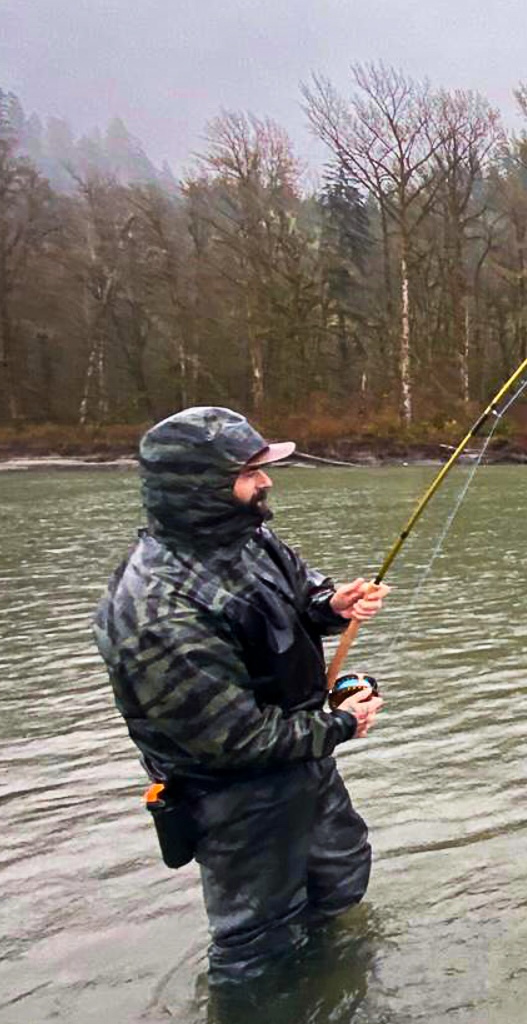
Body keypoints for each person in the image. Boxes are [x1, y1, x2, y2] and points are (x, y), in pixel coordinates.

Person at [94, 406, 388, 982]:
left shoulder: (251, 537)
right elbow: (236, 741)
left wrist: (333, 605)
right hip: (237, 802)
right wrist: (342, 725)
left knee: (341, 875)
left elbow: (300, 592)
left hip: (304, 765)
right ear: (202, 486)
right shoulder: (155, 608)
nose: (267, 481)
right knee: (256, 945)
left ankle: (332, 992)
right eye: (251, 471)